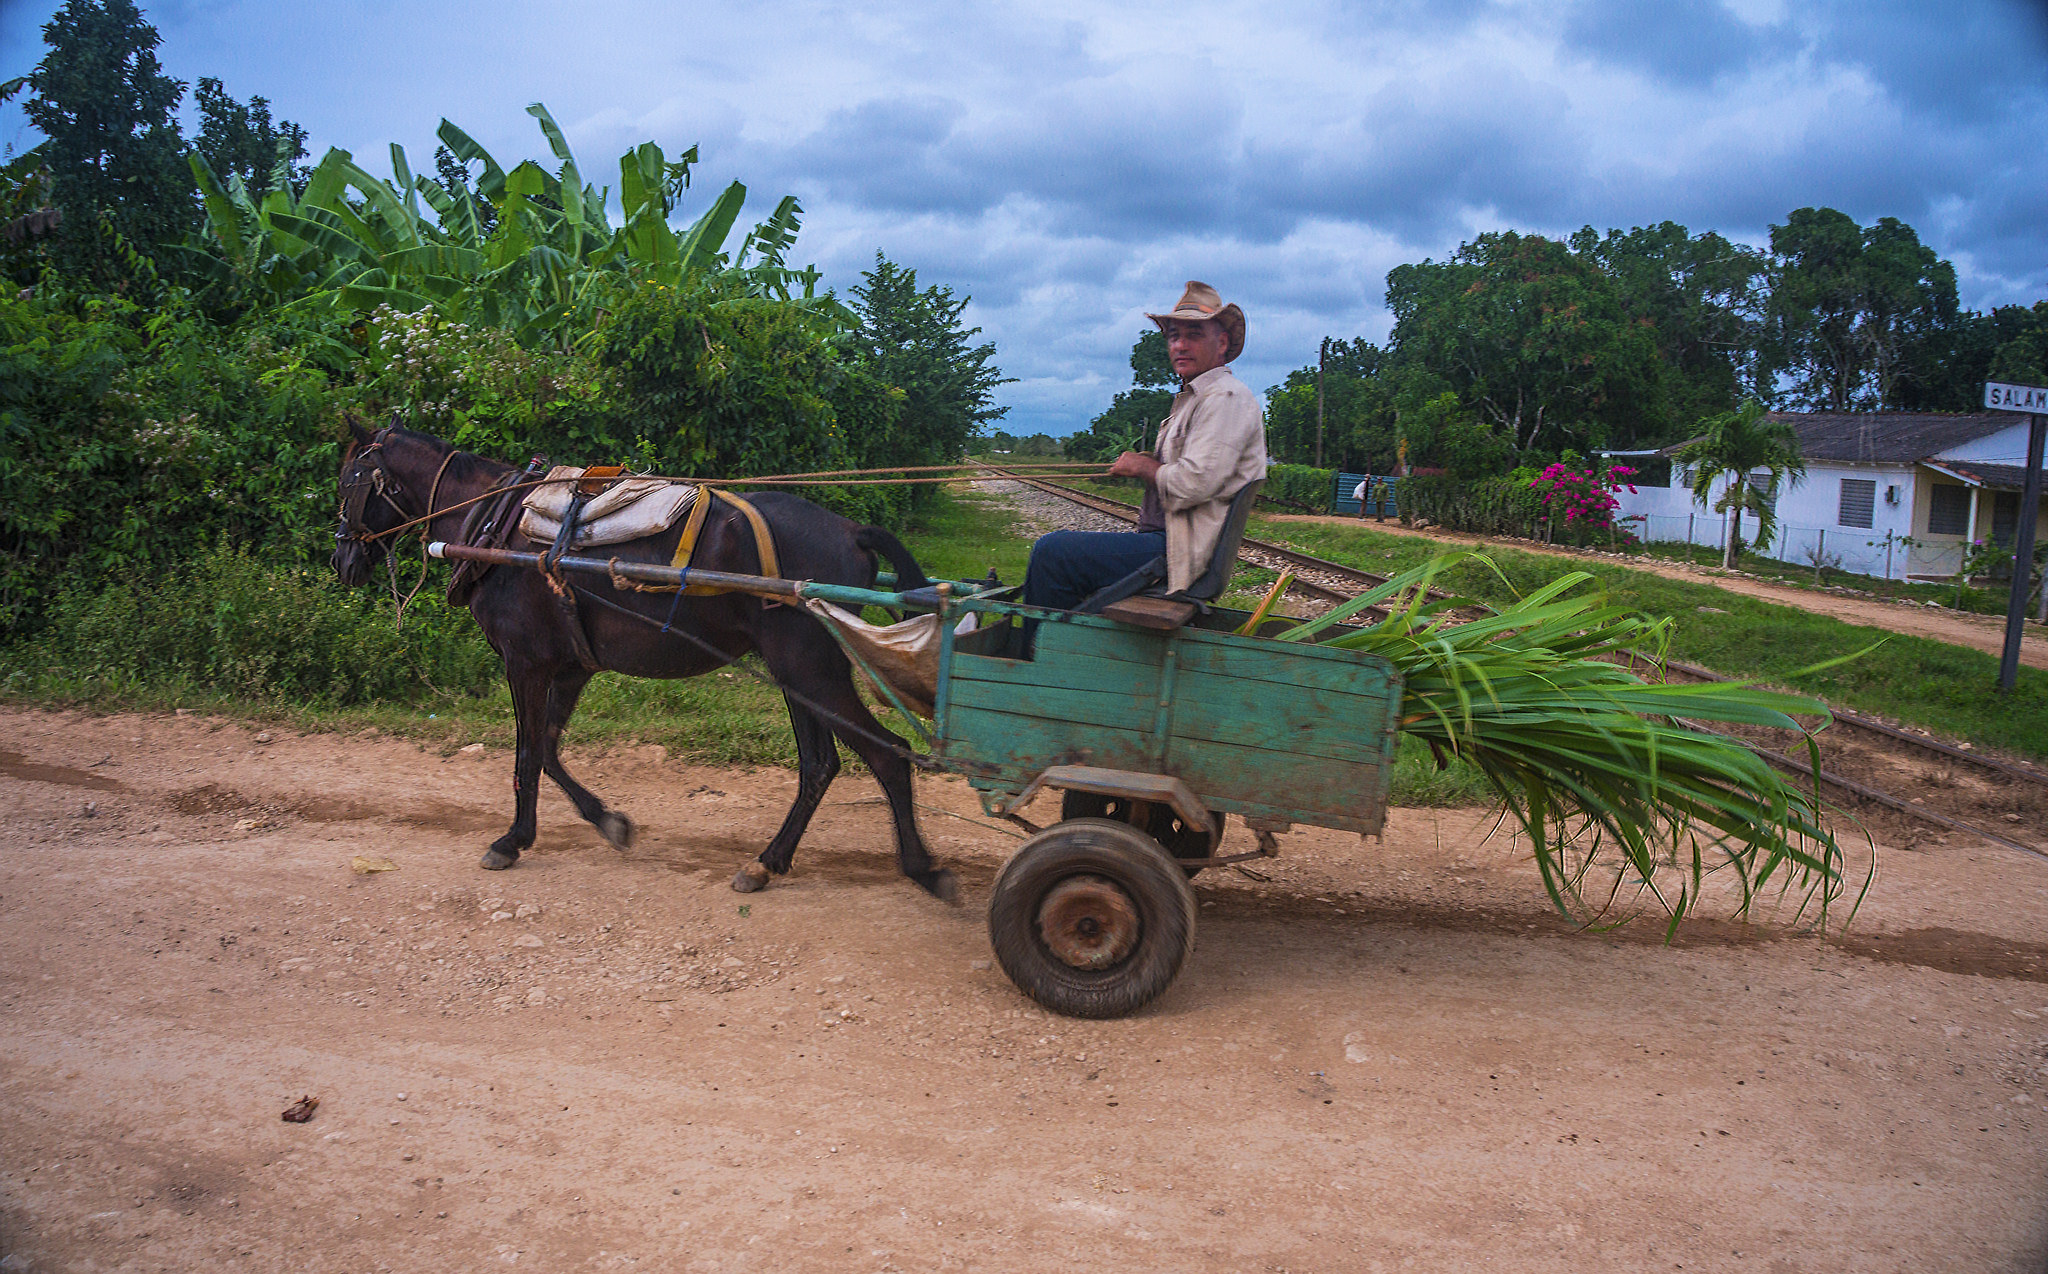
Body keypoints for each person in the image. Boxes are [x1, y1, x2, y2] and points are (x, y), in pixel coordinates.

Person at [1023, 281, 1269, 612]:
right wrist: (1152, 463)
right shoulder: (1197, 399)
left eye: (1194, 335)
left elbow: (1193, 484)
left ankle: (1037, 657)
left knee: (1053, 552)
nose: (1180, 345)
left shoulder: (1225, 397)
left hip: (1178, 552)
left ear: (1222, 342)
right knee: (1062, 558)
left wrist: (1143, 467)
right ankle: (1061, 644)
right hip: (1169, 544)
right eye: (1173, 336)